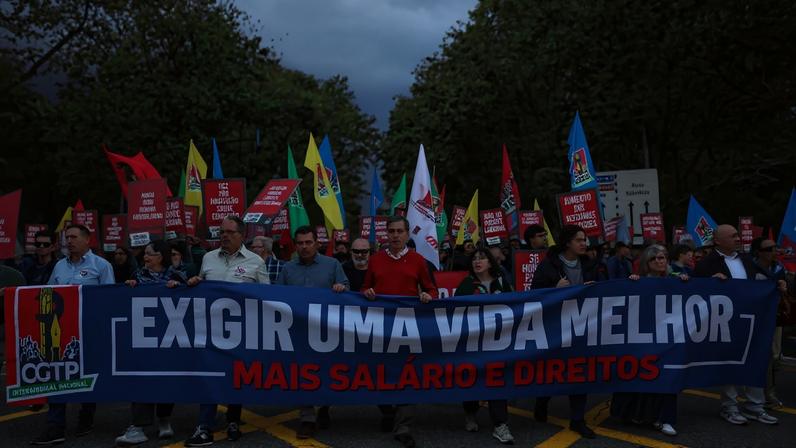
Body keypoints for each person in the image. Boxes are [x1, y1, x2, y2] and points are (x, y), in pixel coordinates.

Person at [182, 216, 269, 447]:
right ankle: (204, 426)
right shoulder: (209, 258)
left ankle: (233, 420)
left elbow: (267, 296)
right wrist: (196, 282)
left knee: (235, 375)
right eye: (221, 232)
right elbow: (202, 284)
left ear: (242, 235)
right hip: (210, 330)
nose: (224, 236)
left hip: (241, 331)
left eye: (230, 232)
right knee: (209, 376)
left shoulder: (255, 262)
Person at [32, 224, 114, 445]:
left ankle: (87, 414)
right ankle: (55, 425)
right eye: (67, 237)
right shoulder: (59, 265)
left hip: (88, 330)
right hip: (60, 331)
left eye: (74, 237)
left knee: (87, 373)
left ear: (87, 240)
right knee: (58, 373)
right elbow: (47, 293)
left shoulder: (101, 266)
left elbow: (109, 299)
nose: (69, 241)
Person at [693, 224, 784, 426]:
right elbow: (694, 288)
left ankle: (755, 407)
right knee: (729, 363)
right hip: (724, 321)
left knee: (754, 360)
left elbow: (765, 279)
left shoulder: (745, 259)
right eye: (733, 236)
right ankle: (730, 407)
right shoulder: (706, 264)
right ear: (718, 240)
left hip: (749, 319)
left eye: (738, 235)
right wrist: (710, 282)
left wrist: (777, 283)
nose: (738, 239)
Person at [362, 216, 438, 448]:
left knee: (407, 373)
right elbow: (365, 287)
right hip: (380, 326)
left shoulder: (418, 260)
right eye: (391, 231)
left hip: (407, 326)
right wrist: (367, 293)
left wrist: (427, 295)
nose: (395, 235)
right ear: (386, 233)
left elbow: (432, 289)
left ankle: (404, 427)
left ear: (407, 234)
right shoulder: (375, 260)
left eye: (399, 231)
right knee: (381, 371)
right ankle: (388, 411)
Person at [275, 225, 348, 438]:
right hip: (298, 331)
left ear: (317, 243)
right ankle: (307, 418)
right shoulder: (288, 269)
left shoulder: (332, 265)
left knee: (327, 371)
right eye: (300, 243)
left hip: (327, 330)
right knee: (303, 373)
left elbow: (347, 288)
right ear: (295, 245)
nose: (304, 247)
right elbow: (276, 296)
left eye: (308, 242)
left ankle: (324, 407)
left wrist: (341, 288)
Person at [530, 224, 602, 439]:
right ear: (567, 242)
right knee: (553, 369)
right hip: (555, 326)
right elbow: (534, 293)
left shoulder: (590, 264)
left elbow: (606, 289)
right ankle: (542, 401)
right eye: (579, 240)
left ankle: (578, 419)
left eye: (584, 239)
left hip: (583, 325)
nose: (584, 243)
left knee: (580, 371)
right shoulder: (548, 265)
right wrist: (555, 290)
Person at [115, 240, 187, 446]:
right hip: (143, 338)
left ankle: (164, 419)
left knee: (166, 377)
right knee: (142, 378)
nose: (145, 257)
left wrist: (178, 289)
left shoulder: (176, 276)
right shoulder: (138, 276)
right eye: (145, 254)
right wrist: (129, 288)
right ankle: (138, 426)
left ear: (160, 257)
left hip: (169, 337)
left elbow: (190, 299)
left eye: (149, 253)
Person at [612, 244, 686, 436]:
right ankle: (637, 414)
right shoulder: (638, 281)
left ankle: (665, 418)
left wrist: (687, 281)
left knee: (668, 375)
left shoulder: (676, 279)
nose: (660, 261)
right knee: (642, 373)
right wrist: (631, 283)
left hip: (669, 336)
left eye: (663, 257)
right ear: (647, 262)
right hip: (643, 336)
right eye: (655, 258)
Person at [454, 248, 515, 445]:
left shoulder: (501, 282)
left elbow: (515, 304)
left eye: (482, 258)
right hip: (473, 341)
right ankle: (470, 413)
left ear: (490, 262)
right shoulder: (466, 284)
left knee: (496, 379)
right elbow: (454, 310)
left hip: (497, 342)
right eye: (474, 259)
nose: (477, 261)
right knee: (472, 378)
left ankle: (500, 424)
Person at [751, 237, 787, 409]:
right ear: (759, 252)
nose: (773, 251)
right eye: (769, 249)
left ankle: (769, 393)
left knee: (774, 356)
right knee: (760, 355)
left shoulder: (779, 268)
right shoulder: (749, 268)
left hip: (775, 317)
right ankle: (762, 395)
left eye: (774, 248)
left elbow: (788, 291)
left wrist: (785, 286)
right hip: (756, 318)